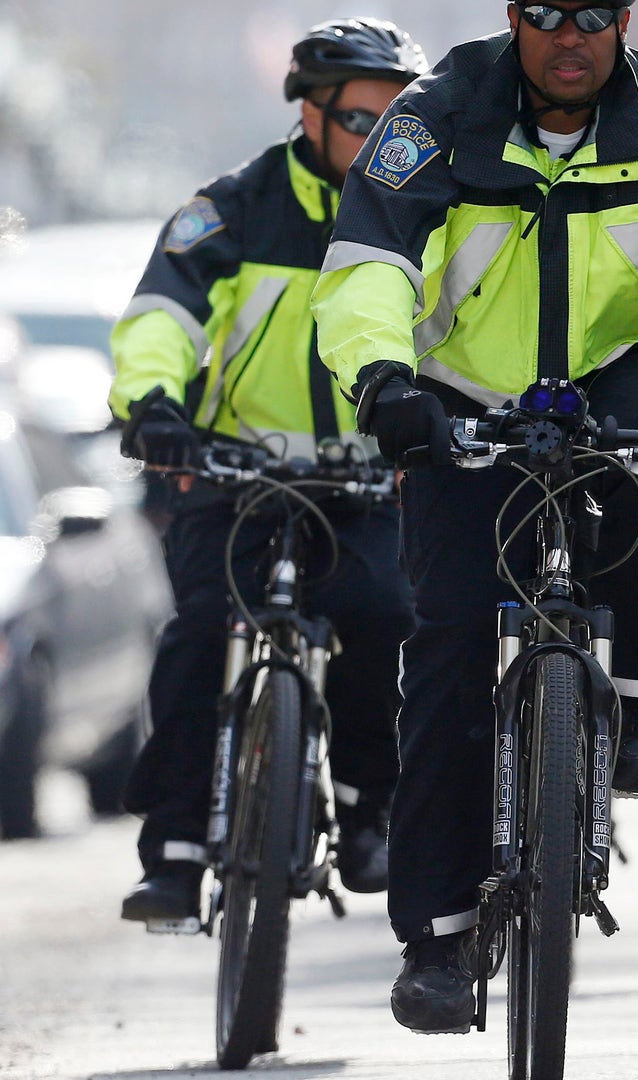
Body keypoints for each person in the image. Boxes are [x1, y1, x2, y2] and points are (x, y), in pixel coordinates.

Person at [310, 0, 638, 1032]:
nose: (570, 36)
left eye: (593, 14)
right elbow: (368, 265)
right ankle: (437, 940)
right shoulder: (434, 114)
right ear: (512, 19)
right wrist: (384, 383)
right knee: (443, 657)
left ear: (622, 20)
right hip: (462, 393)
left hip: (626, 367)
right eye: (545, 13)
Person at [112, 18, 429, 926]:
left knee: (388, 620)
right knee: (199, 632)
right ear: (313, 112)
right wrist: (155, 408)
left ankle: (372, 812)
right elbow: (161, 313)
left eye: (395, 120)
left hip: (367, 480)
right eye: (364, 120)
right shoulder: (234, 205)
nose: (382, 140)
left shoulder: (423, 207)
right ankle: (173, 852)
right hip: (235, 472)